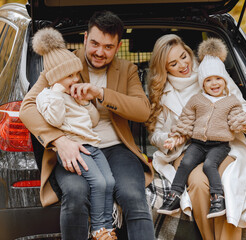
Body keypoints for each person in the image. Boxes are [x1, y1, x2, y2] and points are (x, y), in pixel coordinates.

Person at [20, 11, 155, 240]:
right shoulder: (63, 64)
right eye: (94, 43)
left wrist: (101, 94)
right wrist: (60, 141)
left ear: (118, 46)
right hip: (75, 147)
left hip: (116, 148)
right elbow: (27, 108)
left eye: (108, 47)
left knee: (133, 195)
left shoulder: (127, 70)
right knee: (75, 192)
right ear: (84, 38)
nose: (99, 52)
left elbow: (142, 110)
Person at [146, 34, 246, 240]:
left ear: (189, 51)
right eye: (173, 63)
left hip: (223, 144)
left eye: (184, 56)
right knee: (199, 184)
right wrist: (169, 138)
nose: (183, 65)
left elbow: (241, 107)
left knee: (227, 183)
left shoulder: (214, 73)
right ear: (165, 68)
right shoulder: (165, 93)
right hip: (186, 150)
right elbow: (155, 134)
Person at [32, 27, 116, 240]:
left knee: (109, 182)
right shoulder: (48, 96)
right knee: (97, 183)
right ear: (57, 78)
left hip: (92, 146)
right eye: (70, 75)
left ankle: (107, 227)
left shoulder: (74, 94)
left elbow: (93, 121)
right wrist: (59, 94)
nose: (76, 78)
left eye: (76, 73)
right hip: (75, 149)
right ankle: (98, 229)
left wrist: (86, 104)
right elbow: (55, 120)